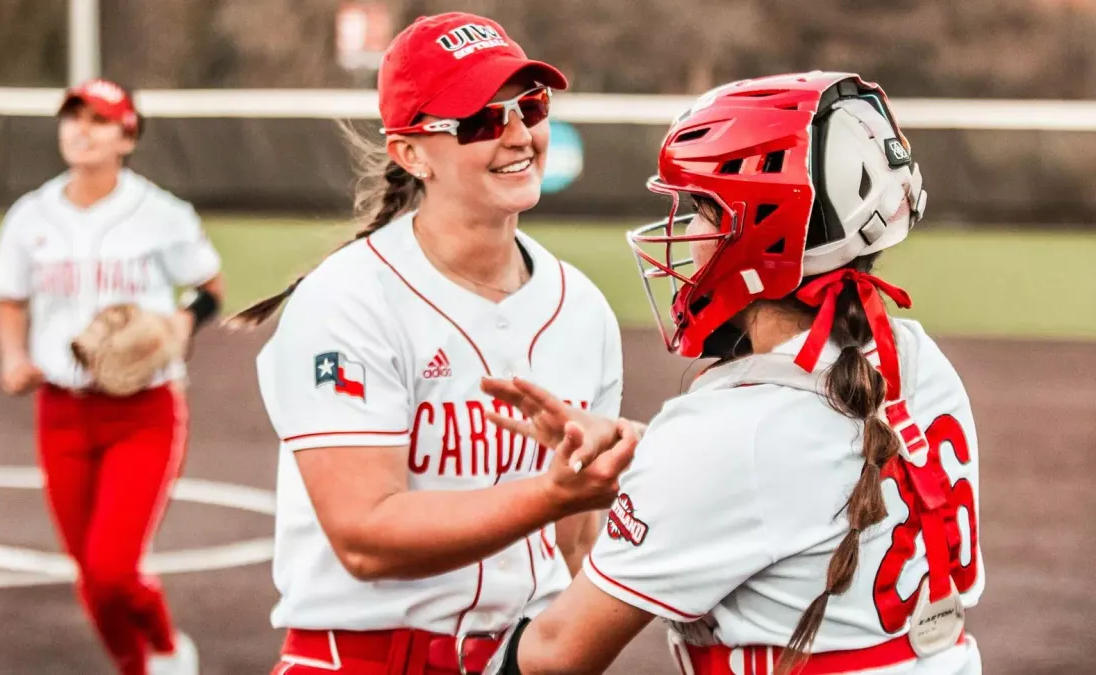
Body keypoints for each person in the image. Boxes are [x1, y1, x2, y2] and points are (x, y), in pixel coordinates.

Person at [478, 71, 985, 675]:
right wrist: (647, 451)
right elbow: (796, 474)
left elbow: (554, 655)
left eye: (700, 208)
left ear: (761, 231)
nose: (688, 230)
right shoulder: (914, 356)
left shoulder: (731, 431)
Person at [227, 12, 635, 675]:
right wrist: (555, 493)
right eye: (479, 119)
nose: (516, 134)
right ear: (411, 153)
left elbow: (571, 548)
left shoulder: (580, 307)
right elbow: (366, 537)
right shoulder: (349, 299)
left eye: (528, 106)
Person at [0, 78, 224, 675]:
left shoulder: (161, 214)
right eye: (73, 117)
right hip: (61, 411)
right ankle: (138, 667)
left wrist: (181, 323)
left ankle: (167, 648)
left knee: (114, 568)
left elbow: (209, 290)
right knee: (90, 577)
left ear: (127, 135)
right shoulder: (31, 215)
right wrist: (14, 358)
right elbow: (9, 297)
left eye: (99, 119)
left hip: (143, 410)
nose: (81, 130)